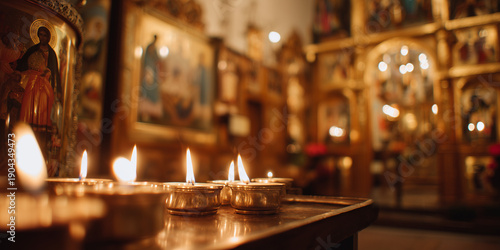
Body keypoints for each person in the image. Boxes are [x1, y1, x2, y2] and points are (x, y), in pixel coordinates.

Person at [16, 26, 59, 157]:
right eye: (40, 35)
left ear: (49, 37)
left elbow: (55, 73)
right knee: (28, 104)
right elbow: (22, 64)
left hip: (44, 85)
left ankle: (41, 140)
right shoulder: (33, 50)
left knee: (44, 107)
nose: (42, 38)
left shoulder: (51, 53)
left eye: (45, 35)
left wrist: (48, 74)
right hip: (31, 82)